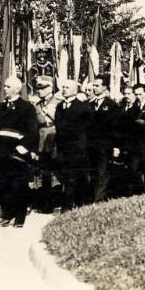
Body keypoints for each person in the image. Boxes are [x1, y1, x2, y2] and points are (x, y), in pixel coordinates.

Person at [0, 77, 39, 227]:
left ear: (17, 89)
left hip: (17, 152)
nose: (4, 89)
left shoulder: (27, 107)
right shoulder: (0, 107)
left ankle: (19, 217)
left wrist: (24, 146)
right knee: (4, 184)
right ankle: (7, 214)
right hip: (1, 152)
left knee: (19, 185)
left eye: (8, 86)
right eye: (4, 86)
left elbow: (33, 131)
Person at [54, 79, 92, 210]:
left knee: (76, 177)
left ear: (75, 90)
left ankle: (74, 204)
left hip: (77, 148)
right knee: (66, 176)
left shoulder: (83, 107)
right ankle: (70, 203)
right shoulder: (59, 106)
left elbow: (86, 128)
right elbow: (58, 125)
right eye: (63, 87)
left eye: (67, 87)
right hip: (63, 148)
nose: (64, 89)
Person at [31, 75, 62, 212]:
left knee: (55, 172)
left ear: (50, 88)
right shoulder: (37, 104)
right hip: (41, 141)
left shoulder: (58, 102)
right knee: (43, 172)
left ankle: (55, 201)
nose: (39, 91)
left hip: (53, 139)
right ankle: (44, 202)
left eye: (42, 88)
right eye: (38, 88)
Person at [87, 75, 118, 202]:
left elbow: (115, 127)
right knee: (92, 172)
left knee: (102, 172)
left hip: (105, 145)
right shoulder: (89, 104)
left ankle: (99, 199)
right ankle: (91, 198)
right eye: (93, 85)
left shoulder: (112, 105)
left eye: (97, 85)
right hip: (90, 145)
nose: (94, 88)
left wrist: (116, 146)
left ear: (104, 87)